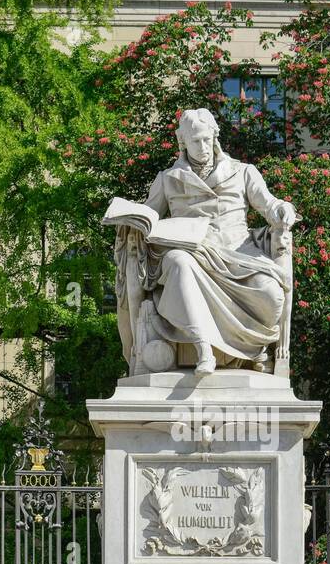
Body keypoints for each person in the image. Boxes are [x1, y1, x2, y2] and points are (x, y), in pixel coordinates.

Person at [113, 108, 299, 376]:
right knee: (178, 263)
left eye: (205, 139)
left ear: (214, 137)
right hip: (188, 250)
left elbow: (269, 204)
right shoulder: (167, 179)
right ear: (183, 142)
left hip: (237, 251)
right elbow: (150, 214)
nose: (202, 147)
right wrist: (132, 220)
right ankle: (204, 349)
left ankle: (253, 349)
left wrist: (283, 209)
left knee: (271, 295)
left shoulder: (243, 172)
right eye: (194, 141)